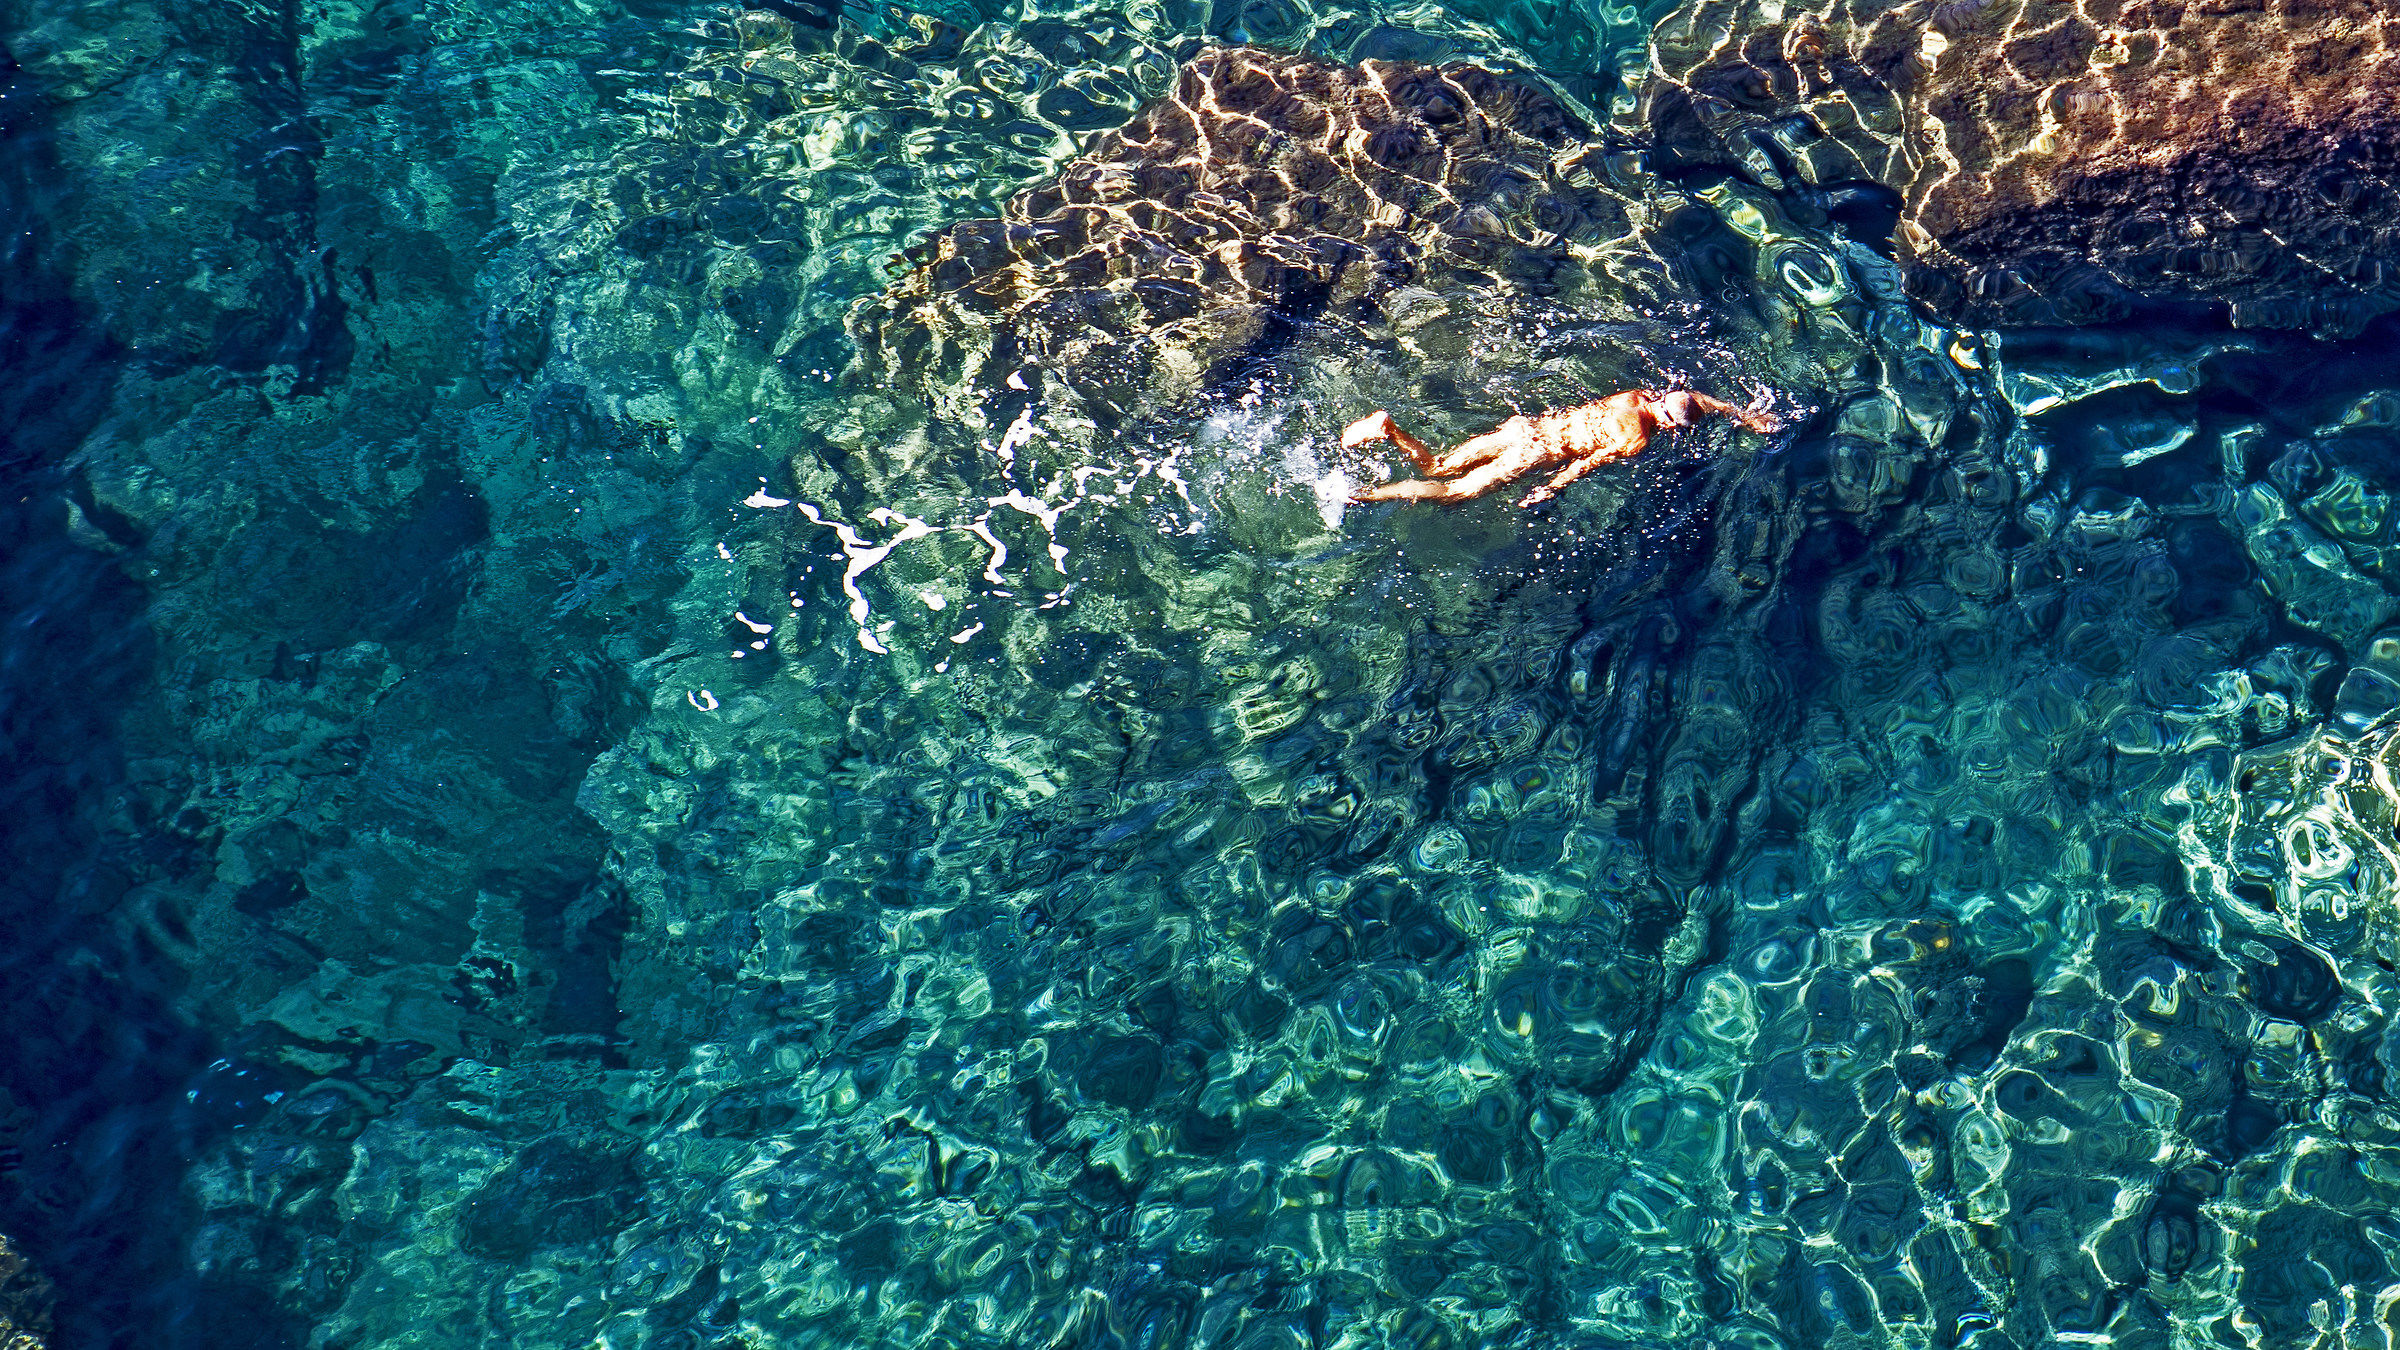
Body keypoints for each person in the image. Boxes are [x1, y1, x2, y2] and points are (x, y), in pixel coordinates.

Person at [1342, 388, 1779, 508]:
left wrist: (1743, 415)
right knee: (1455, 493)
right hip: (1534, 455)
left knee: (1438, 465)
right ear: (1666, 423)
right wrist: (1551, 488)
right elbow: (1587, 463)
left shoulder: (1635, 396)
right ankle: (1362, 495)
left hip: (1523, 429)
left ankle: (1389, 428)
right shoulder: (1637, 439)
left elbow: (1698, 400)